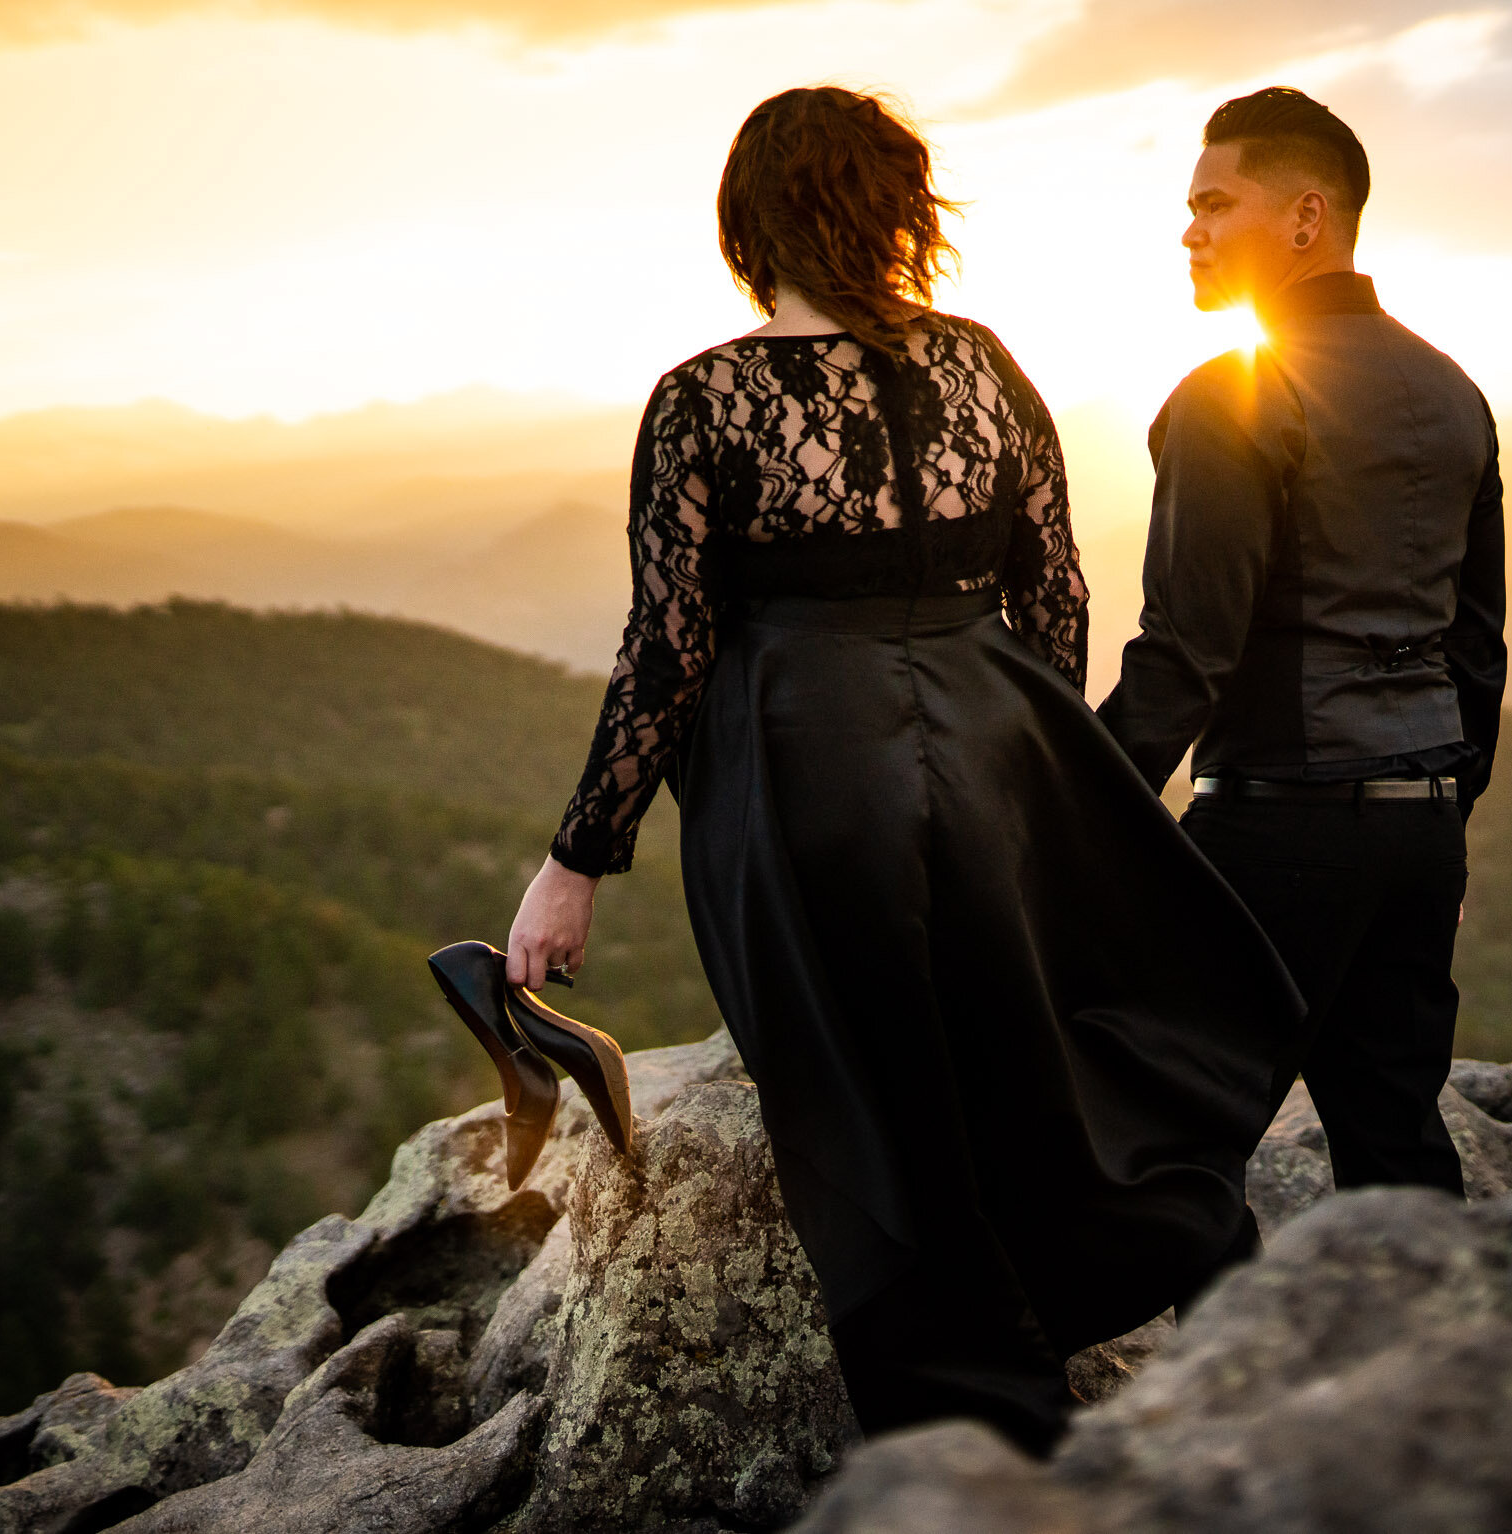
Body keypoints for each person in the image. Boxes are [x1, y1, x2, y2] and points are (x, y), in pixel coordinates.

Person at [501, 86, 1301, 1455]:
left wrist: (575, 861)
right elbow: (1056, 592)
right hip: (991, 748)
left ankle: (982, 1440)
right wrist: (1036, 772)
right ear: (899, 217)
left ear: (750, 222)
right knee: (1019, 1068)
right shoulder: (987, 366)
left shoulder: (706, 401)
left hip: (809, 779)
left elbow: (669, 647)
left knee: (878, 1117)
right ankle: (1150, 1275)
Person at [1099, 87, 1508, 1201]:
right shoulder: (1452, 392)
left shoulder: (1230, 397)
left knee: (1170, 1148)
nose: (1188, 229)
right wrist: (1439, 820)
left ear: (1303, 218)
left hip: (1276, 826)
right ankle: (1426, 1371)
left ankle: (1224, 1381)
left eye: (1213, 203)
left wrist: (1063, 814)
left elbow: (1185, 654)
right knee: (1395, 1146)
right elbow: (1476, 649)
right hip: (1418, 835)